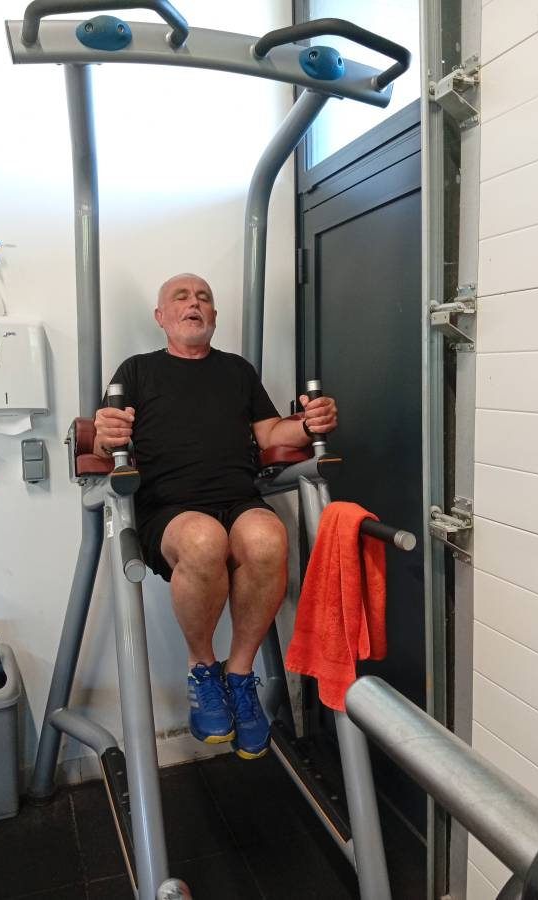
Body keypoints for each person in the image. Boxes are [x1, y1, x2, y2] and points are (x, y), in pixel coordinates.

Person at [94, 273, 338, 759]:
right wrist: (104, 433)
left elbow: (271, 434)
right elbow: (106, 443)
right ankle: (203, 670)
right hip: (168, 510)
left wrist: (310, 423)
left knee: (268, 539)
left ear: (214, 315)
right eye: (181, 297)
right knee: (205, 540)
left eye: (204, 297)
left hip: (238, 499)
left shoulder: (237, 371)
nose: (194, 304)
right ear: (161, 316)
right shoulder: (137, 371)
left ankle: (239, 675)